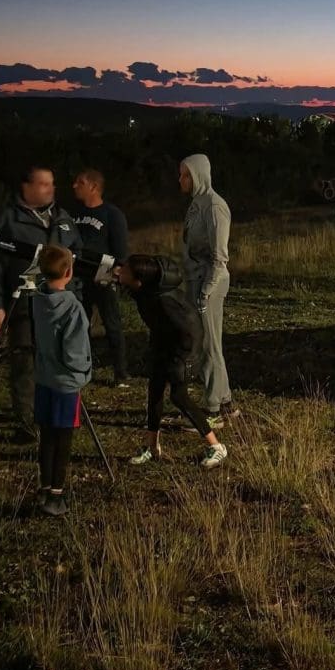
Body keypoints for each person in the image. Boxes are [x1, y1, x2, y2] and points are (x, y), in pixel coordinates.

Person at [0, 166, 82, 443]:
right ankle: (25, 422)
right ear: (26, 187)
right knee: (24, 362)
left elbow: (78, 256)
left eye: (52, 184)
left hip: (59, 306)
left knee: (59, 361)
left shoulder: (62, 218)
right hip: (24, 305)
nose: (51, 189)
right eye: (44, 184)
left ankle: (57, 415)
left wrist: (77, 297)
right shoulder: (9, 220)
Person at [117, 254, 227, 469]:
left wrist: (183, 361)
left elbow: (191, 332)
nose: (121, 273)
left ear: (139, 280)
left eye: (125, 272)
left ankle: (216, 446)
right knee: (154, 393)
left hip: (180, 353)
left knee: (179, 396)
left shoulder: (166, 301)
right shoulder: (146, 290)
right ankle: (152, 446)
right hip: (162, 346)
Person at [30, 245, 92, 517]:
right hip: (65, 382)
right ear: (69, 272)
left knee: (46, 437)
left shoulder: (36, 299)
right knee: (63, 439)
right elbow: (74, 351)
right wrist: (83, 373)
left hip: (44, 378)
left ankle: (44, 487)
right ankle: (56, 495)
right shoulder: (72, 308)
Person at [179, 154, 235, 421]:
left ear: (199, 175)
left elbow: (219, 255)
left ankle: (212, 409)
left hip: (209, 283)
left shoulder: (214, 206)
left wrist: (205, 291)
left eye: (186, 175)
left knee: (208, 345)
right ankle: (224, 401)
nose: (181, 180)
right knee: (209, 343)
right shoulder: (196, 205)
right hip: (196, 279)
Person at [70, 168, 131, 387]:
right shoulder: (72, 214)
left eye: (81, 182)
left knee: (112, 325)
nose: (75, 186)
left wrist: (112, 273)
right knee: (80, 325)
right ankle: (83, 369)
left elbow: (121, 252)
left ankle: (121, 373)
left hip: (103, 278)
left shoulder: (112, 215)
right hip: (78, 278)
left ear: (94, 187)